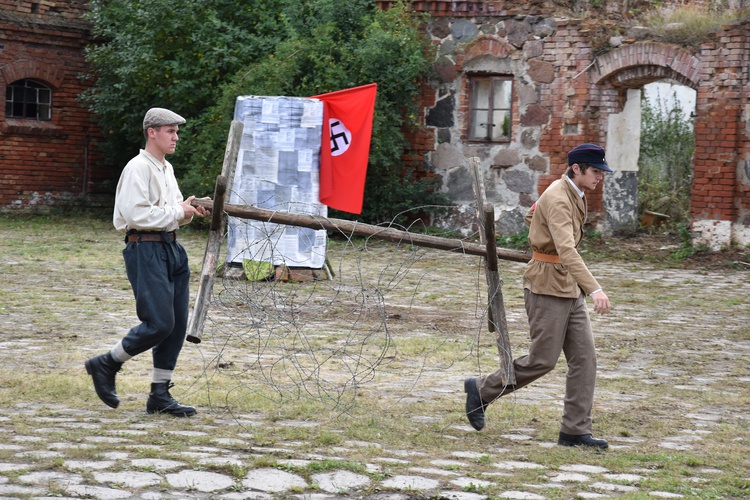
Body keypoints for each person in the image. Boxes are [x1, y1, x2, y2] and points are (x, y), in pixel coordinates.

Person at [464, 143, 613, 449]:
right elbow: (566, 249)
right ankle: (481, 389)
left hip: (568, 286)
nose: (600, 177)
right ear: (577, 169)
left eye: (601, 172)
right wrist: (594, 287)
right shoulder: (559, 197)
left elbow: (533, 217)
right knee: (542, 360)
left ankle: (574, 431)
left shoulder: (571, 193)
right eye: (596, 171)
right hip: (547, 287)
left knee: (585, 360)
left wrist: (539, 232)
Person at [85, 107, 209, 417]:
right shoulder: (137, 168)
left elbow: (174, 213)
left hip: (172, 249)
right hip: (145, 249)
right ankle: (106, 362)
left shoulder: (165, 168)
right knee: (159, 323)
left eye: (177, 131)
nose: (176, 136)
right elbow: (137, 215)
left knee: (177, 326)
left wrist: (190, 210)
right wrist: (180, 211)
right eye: (170, 131)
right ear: (151, 132)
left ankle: (159, 394)